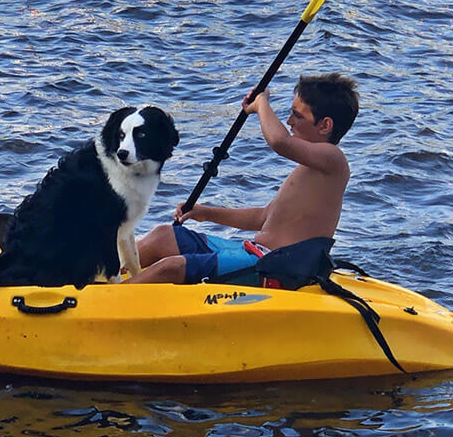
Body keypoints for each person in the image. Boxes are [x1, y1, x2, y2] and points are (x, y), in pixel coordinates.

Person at [124, 73, 358, 284]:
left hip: (277, 268)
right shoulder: (309, 169)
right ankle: (101, 274)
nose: (289, 122)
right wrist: (205, 212)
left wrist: (261, 104)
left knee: (172, 266)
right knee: (164, 236)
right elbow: (263, 217)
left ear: (325, 125)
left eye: (297, 116)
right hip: (253, 252)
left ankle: (109, 301)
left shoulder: (334, 161)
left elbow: (280, 142)